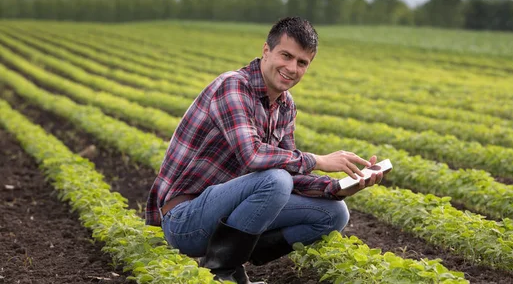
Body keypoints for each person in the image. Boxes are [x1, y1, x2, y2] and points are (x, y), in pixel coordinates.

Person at [145, 17, 384, 284]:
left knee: (334, 213)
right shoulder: (233, 86)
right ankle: (221, 273)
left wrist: (338, 188)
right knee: (275, 180)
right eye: (286, 55)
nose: (292, 68)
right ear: (266, 51)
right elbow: (253, 156)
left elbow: (290, 172)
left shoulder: (285, 105)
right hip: (186, 219)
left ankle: (230, 260)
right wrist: (318, 160)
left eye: (302, 62)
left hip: (228, 212)